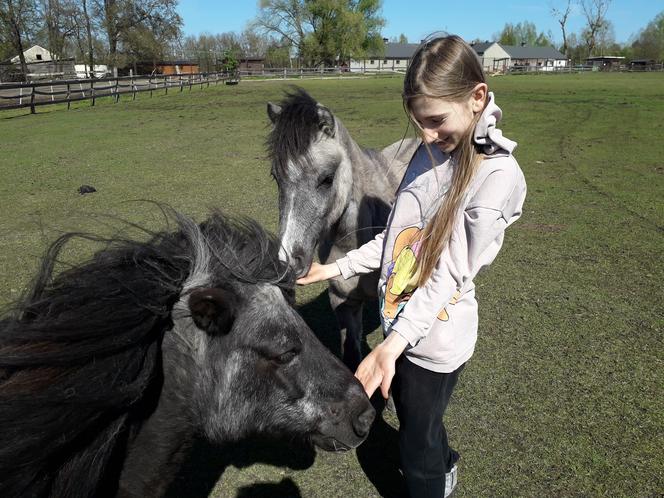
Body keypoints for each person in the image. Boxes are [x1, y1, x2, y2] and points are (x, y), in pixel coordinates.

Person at [296, 34, 527, 498]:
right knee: (419, 422)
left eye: (437, 121)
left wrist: (390, 346)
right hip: (401, 332)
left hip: (434, 342)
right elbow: (398, 242)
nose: (426, 136)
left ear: (477, 96)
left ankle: (434, 476)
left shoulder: (498, 177)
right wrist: (335, 270)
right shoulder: (428, 154)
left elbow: (448, 274)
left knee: (415, 451)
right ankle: (448, 463)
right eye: (419, 122)